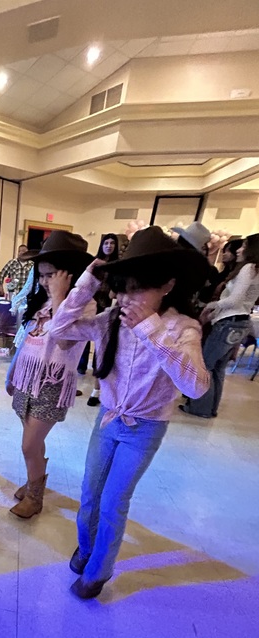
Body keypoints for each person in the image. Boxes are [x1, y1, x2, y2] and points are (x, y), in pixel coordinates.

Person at [49, 227, 210, 599]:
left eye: (139, 288)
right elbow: (60, 329)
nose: (127, 298)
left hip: (145, 428)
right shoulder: (111, 319)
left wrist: (151, 329)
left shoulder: (182, 328)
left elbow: (197, 386)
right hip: (107, 419)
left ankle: (99, 571)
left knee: (113, 501)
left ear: (167, 285)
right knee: (90, 493)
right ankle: (87, 548)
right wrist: (88, 282)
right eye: (122, 288)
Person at [5, 231, 95, 518]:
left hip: (52, 383)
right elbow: (26, 340)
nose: (45, 282)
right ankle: (35, 480)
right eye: (42, 275)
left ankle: (35, 496)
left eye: (51, 275)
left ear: (71, 274)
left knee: (29, 445)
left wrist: (59, 296)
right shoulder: (41, 302)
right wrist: (12, 372)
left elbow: (66, 341)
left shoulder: (86, 305)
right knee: (32, 442)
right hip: (27, 378)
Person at [181, 234, 259, 419]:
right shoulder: (255, 270)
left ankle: (200, 408)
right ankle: (210, 408)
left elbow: (235, 299)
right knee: (218, 368)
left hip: (229, 322)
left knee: (206, 365)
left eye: (244, 246)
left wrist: (211, 306)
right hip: (240, 322)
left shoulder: (248, 268)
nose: (239, 250)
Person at [78, 233, 118, 407]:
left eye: (112, 243)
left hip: (108, 310)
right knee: (81, 342)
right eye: (106, 242)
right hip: (90, 307)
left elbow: (115, 292)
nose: (109, 245)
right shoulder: (94, 264)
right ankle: (80, 368)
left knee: (101, 349)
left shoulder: (118, 266)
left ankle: (96, 390)